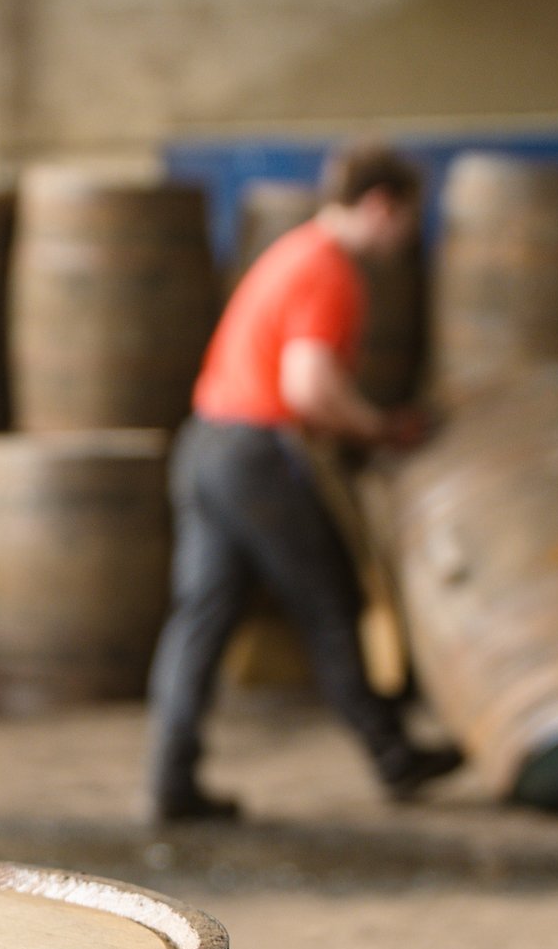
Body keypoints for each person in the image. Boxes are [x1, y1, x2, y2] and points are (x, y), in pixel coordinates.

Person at [149, 141, 462, 823]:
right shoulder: (331, 270)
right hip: (256, 455)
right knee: (329, 599)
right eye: (410, 217)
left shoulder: (293, 250)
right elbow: (309, 386)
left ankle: (171, 777)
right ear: (381, 206)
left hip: (205, 441)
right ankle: (393, 755)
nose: (411, 235)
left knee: (201, 618)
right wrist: (381, 429)